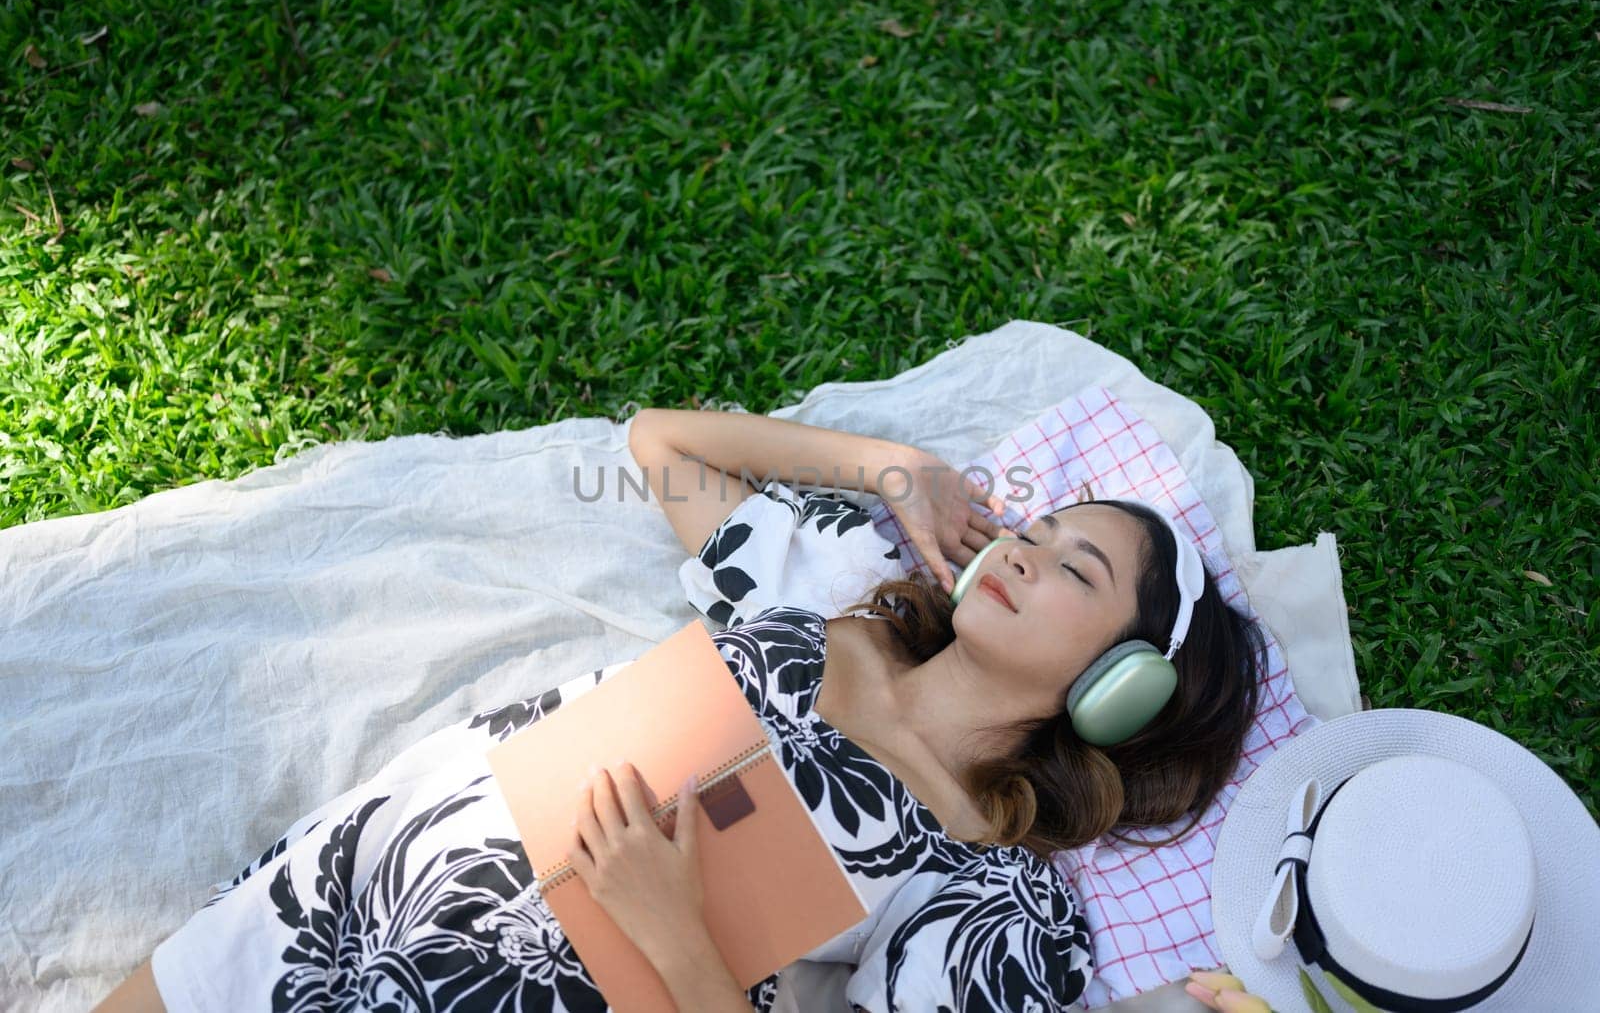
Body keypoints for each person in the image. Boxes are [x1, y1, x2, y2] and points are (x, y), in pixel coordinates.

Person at [96, 407, 1268, 1012]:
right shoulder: (838, 597)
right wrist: (890, 467)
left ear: (1122, 687)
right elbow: (664, 445)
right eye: (1038, 525)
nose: (1022, 548)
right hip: (338, 892)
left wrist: (675, 931)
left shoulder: (995, 885)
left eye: (1075, 571)